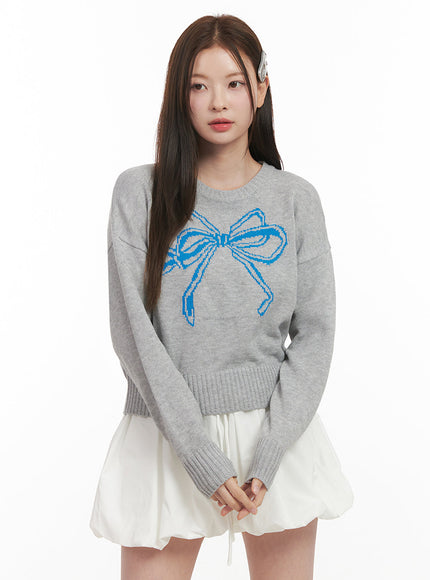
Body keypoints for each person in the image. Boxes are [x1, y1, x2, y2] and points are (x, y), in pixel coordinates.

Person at [89, 13, 354, 579]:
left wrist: (272, 448)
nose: (217, 101)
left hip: (276, 437)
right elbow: (133, 333)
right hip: (166, 433)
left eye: (234, 83)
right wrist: (198, 452)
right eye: (198, 85)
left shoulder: (295, 200)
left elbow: (317, 333)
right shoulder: (139, 193)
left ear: (261, 89)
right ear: (178, 95)